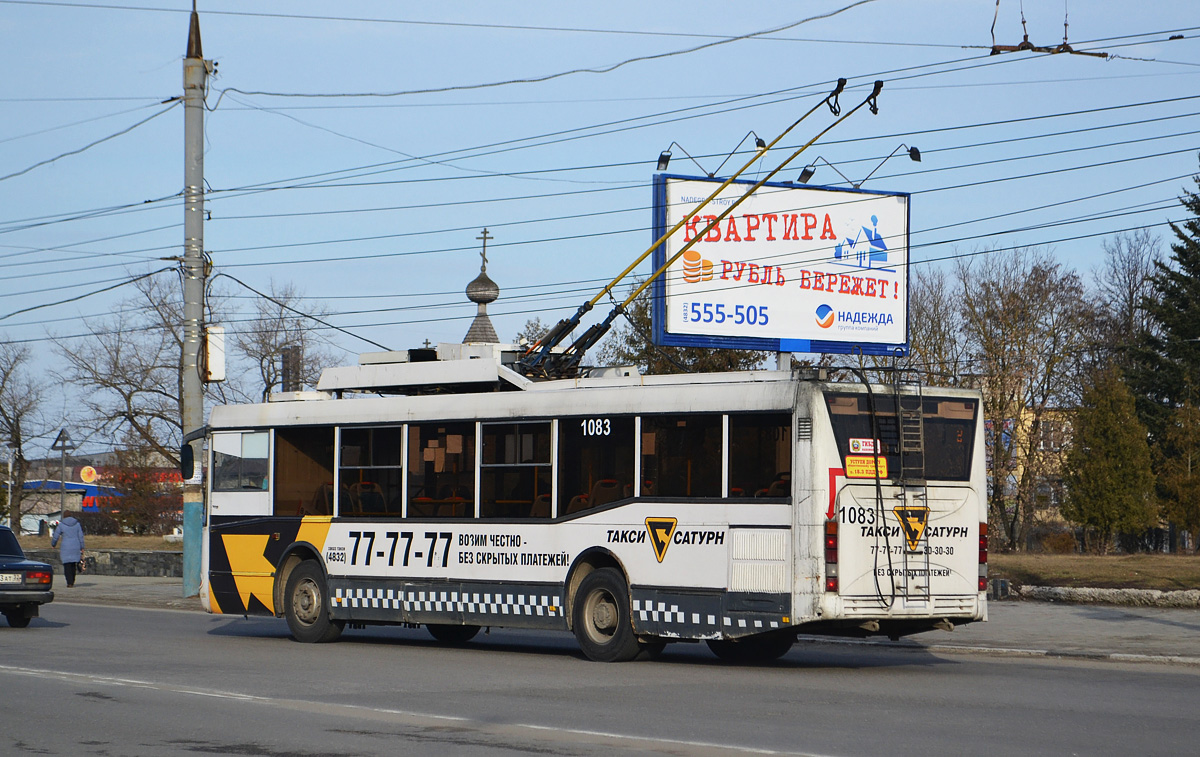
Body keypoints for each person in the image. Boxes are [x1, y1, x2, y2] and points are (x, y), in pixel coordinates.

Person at [51, 511, 86, 588]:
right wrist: (82, 547)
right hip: (75, 546)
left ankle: (69, 582)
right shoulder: (77, 524)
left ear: (64, 516)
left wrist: (53, 544)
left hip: (65, 547)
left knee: (67, 565)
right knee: (73, 564)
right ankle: (72, 580)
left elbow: (56, 536)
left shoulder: (61, 525)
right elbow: (81, 537)